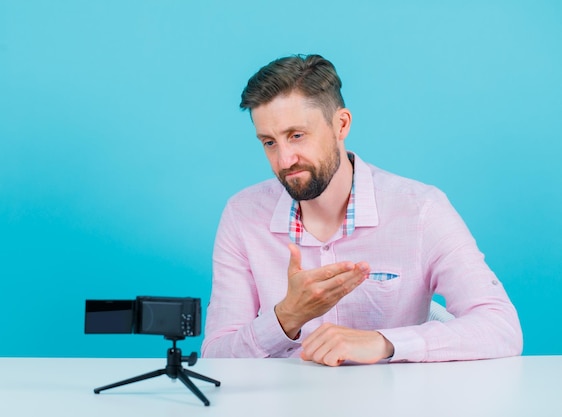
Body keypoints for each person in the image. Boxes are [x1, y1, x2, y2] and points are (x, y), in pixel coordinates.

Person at [201, 54, 522, 366]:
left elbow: (501, 327)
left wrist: (385, 342)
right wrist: (287, 316)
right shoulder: (243, 215)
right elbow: (216, 356)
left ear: (341, 125)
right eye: (269, 142)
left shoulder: (420, 210)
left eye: (296, 136)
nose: (284, 160)